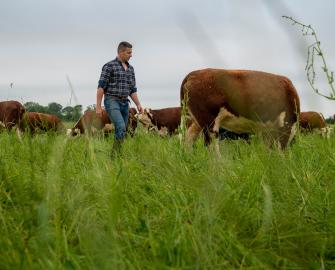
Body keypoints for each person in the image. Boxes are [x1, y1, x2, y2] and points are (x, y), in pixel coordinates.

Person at [96, 41, 143, 155]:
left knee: (122, 130)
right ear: (121, 52)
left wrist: (138, 104)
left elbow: (132, 90)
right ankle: (115, 155)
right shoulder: (109, 66)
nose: (131, 55)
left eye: (131, 52)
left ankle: (117, 153)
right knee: (121, 126)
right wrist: (98, 106)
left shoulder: (131, 69)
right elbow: (101, 86)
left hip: (124, 103)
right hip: (112, 101)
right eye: (129, 52)